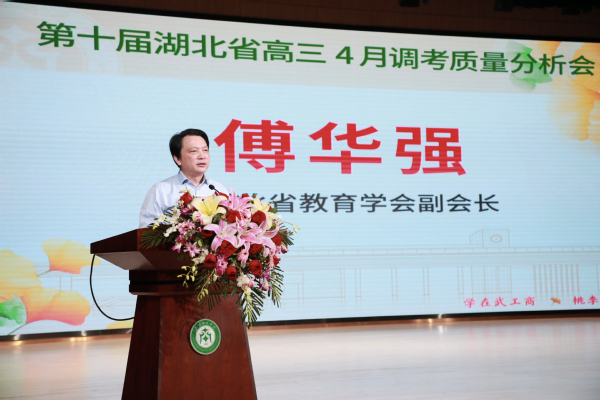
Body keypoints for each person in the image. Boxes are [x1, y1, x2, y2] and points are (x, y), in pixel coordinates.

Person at [139, 129, 228, 228]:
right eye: (194, 151)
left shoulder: (219, 189)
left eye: (205, 150)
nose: (202, 156)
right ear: (177, 159)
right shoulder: (161, 191)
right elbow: (146, 231)